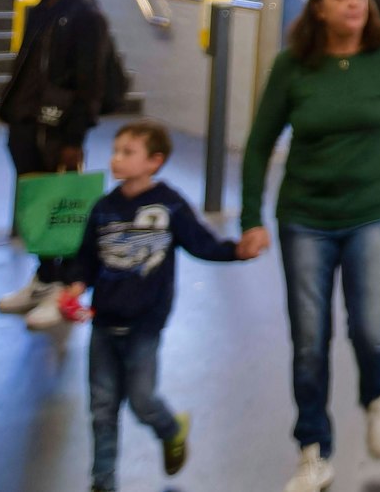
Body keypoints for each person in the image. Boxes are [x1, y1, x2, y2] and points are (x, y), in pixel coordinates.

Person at [238, 0, 380, 492]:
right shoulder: (293, 65)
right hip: (305, 217)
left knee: (370, 326)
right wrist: (250, 218)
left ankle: (377, 395)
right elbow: (258, 144)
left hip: (370, 211)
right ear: (318, 8)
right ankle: (313, 449)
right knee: (309, 338)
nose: (354, 4)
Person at [59, 121, 245, 492]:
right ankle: (102, 481)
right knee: (102, 407)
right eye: (115, 151)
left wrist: (237, 251)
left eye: (128, 152)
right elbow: (87, 259)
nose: (116, 159)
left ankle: (171, 429)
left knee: (142, 401)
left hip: (145, 322)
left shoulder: (171, 204)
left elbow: (201, 243)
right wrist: (74, 286)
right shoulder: (104, 208)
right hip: (103, 323)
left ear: (154, 161)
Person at [0, 0, 111, 329]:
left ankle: (65, 286)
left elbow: (90, 82)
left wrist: (75, 138)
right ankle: (45, 277)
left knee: (62, 208)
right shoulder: (42, 9)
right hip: (27, 122)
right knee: (37, 204)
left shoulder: (85, 14)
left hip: (59, 128)